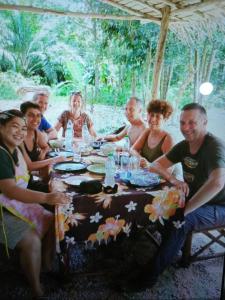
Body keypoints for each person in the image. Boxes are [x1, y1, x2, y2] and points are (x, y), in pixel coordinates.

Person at [131, 103, 225, 290]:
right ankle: (172, 245)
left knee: (182, 219)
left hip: (220, 205)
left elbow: (218, 182)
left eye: (192, 122)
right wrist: (173, 180)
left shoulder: (214, 147)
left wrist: (186, 210)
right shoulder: (184, 146)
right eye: (182, 122)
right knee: (160, 205)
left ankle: (148, 277)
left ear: (205, 122)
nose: (185, 127)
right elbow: (154, 166)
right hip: (193, 198)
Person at [0, 109, 70, 298]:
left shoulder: (14, 148)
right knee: (30, 239)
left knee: (51, 218)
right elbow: (11, 190)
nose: (20, 132)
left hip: (12, 204)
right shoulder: (1, 154)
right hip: (3, 210)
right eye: (15, 127)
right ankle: (36, 289)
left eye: (23, 128)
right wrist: (47, 197)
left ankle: (44, 268)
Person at [20, 101, 67, 188]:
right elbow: (29, 166)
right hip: (20, 185)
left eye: (38, 116)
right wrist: (55, 159)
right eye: (31, 115)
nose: (36, 119)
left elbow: (46, 146)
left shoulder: (36, 132)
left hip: (28, 179)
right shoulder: (19, 137)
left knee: (60, 185)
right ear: (22, 117)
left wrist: (42, 154)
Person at [130, 99, 174, 167]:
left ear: (165, 119)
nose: (153, 119)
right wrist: (140, 159)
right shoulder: (147, 131)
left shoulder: (168, 139)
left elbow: (169, 170)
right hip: (142, 174)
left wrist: (150, 165)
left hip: (156, 176)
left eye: (158, 117)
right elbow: (133, 149)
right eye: (152, 115)